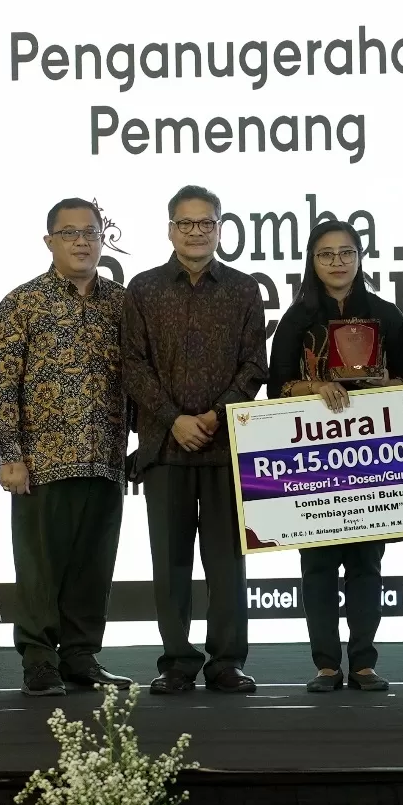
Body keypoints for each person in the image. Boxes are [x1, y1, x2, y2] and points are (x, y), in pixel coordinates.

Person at [122, 186, 267, 695]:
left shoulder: (245, 289)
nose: (196, 231)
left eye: (206, 223)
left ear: (220, 228)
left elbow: (255, 366)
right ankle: (177, 663)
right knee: (171, 563)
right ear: (169, 230)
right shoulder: (142, 289)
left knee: (228, 564)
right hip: (165, 448)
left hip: (226, 447)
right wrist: (174, 419)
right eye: (186, 223)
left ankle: (227, 661)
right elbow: (133, 366)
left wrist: (213, 415)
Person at [0, 198, 133, 697]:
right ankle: (39, 660)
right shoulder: (22, 302)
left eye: (90, 232)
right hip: (42, 462)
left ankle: (81, 656)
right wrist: (10, 453)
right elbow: (1, 386)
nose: (81, 241)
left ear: (102, 239)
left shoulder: (121, 303)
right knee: (40, 566)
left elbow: (135, 376)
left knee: (95, 565)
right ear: (49, 241)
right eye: (69, 233)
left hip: (106, 456)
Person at [269, 219, 403, 693]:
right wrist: (314, 386)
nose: (337, 262)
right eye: (326, 254)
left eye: (346, 252)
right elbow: (275, 390)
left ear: (359, 257)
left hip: (370, 459)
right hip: (313, 462)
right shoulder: (297, 319)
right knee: (316, 566)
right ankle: (326, 665)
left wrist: (384, 386)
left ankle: (364, 663)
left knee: (365, 563)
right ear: (312, 262)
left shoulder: (385, 313)